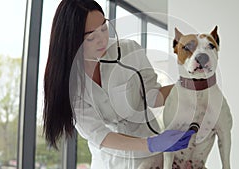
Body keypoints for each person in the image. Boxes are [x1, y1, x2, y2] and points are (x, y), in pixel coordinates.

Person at [43, 0, 195, 168]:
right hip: (109, 162)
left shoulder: (129, 50)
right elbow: (100, 134)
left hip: (150, 160)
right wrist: (152, 143)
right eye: (91, 37)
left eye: (104, 28)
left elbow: (153, 97)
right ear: (71, 41)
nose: (102, 40)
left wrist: (186, 86)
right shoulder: (70, 84)